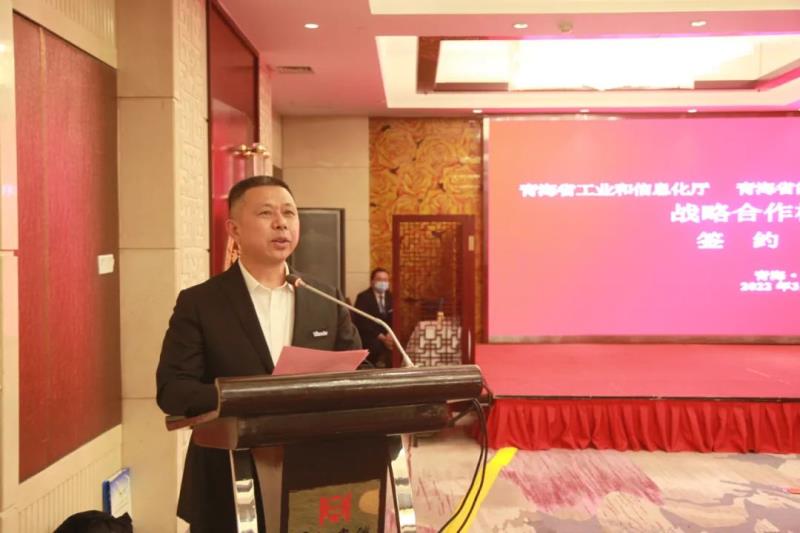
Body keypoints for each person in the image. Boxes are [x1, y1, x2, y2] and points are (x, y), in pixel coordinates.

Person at [156, 176, 361, 532]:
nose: (281, 223)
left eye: (289, 213)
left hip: (316, 473)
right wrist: (254, 396)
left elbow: (359, 370)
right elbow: (173, 390)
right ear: (234, 229)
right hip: (227, 477)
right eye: (266, 213)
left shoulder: (325, 298)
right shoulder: (201, 303)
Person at [353, 268, 394, 368]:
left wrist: (390, 334)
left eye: (385, 280)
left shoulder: (391, 296)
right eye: (379, 279)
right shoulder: (363, 297)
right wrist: (382, 337)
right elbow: (362, 321)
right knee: (375, 346)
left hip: (387, 334)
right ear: (372, 281)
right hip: (370, 335)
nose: (383, 282)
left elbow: (394, 317)